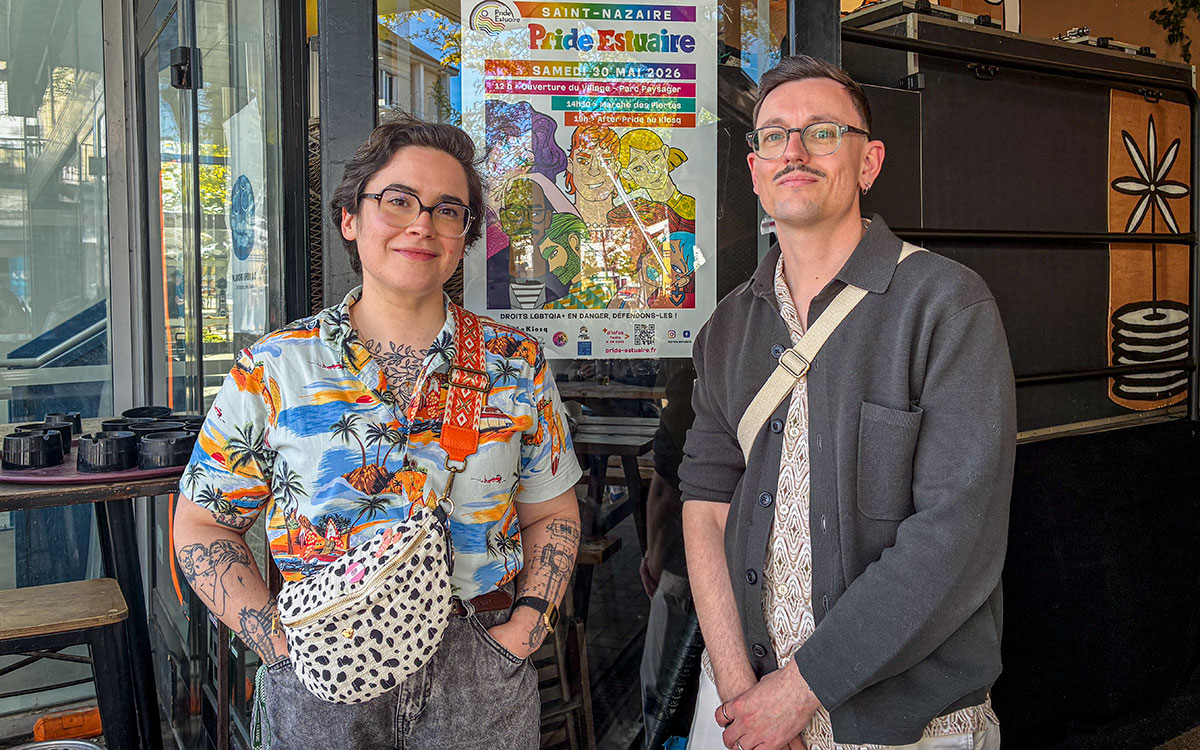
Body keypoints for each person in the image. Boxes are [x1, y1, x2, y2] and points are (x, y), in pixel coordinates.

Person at [173, 115, 583, 749]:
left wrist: (523, 631)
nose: (422, 224)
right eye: (398, 201)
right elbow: (203, 526)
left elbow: (552, 512)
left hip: (477, 661)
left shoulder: (514, 363)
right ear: (350, 219)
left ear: (464, 236)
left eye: (448, 210)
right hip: (321, 668)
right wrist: (278, 646)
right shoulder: (274, 369)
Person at [680, 55, 1015, 750]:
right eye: (774, 135)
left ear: (869, 163)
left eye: (822, 132)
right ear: (755, 172)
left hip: (905, 726)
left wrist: (795, 694)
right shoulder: (726, 329)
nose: (794, 151)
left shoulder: (946, 305)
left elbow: (956, 536)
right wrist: (743, 698)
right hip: (740, 708)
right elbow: (706, 508)